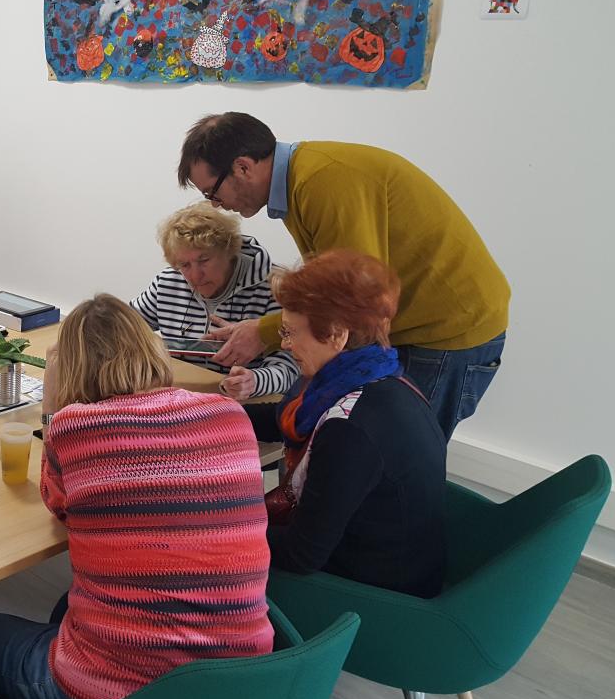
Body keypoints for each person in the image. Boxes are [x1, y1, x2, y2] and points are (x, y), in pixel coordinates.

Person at [0, 294, 272, 699]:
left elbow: (57, 502)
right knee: (65, 609)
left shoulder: (75, 426)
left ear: (71, 368)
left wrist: (52, 405)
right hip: (243, 681)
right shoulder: (229, 413)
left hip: (122, 690)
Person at [177, 112, 510, 439]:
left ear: (243, 167)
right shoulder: (301, 180)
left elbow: (353, 300)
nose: (216, 205)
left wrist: (264, 332)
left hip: (445, 333)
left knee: (389, 450)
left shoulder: (322, 183)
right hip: (410, 325)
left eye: (212, 193)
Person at [247, 250, 446, 598]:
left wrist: (218, 528)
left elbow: (300, 555)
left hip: (375, 594)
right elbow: (283, 418)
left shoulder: (348, 429)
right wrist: (209, 412)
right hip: (396, 558)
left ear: (336, 335)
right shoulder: (381, 378)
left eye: (291, 332)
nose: (285, 344)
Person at [131, 202, 297, 400]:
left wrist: (254, 381)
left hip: (249, 406)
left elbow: (290, 367)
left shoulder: (273, 288)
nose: (195, 276)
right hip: (181, 403)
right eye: (185, 265)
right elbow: (121, 327)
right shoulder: (167, 282)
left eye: (204, 260)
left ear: (229, 251)